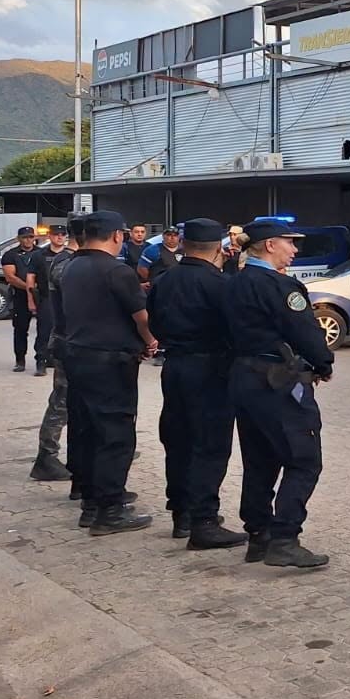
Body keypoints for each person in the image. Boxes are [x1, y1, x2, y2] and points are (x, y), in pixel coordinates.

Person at [225, 218, 335, 569]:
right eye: (290, 242)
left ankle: (258, 534)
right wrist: (323, 363)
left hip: (244, 378)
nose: (295, 249)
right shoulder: (280, 286)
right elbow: (305, 331)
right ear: (270, 244)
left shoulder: (233, 282)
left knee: (259, 459)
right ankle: (285, 538)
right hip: (278, 382)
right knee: (304, 459)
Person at [146, 218, 246, 550]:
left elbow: (153, 323)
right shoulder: (221, 285)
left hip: (175, 365)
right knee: (210, 444)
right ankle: (204, 521)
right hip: (211, 368)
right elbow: (235, 329)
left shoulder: (163, 280)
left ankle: (182, 514)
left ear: (184, 244)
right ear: (218, 248)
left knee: (178, 439)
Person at [56, 211, 157, 535]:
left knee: (87, 430)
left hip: (78, 356)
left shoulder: (71, 266)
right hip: (110, 363)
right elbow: (141, 316)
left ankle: (90, 502)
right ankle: (110, 510)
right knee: (115, 435)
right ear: (117, 235)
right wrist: (150, 341)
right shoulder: (117, 270)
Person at [30, 214, 84, 484]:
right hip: (67, 341)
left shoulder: (70, 261)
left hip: (71, 340)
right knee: (62, 401)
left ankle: (91, 451)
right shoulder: (66, 263)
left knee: (75, 400)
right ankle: (46, 457)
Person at [27, 224, 68, 377]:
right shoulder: (39, 255)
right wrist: (31, 300)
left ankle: (58, 360)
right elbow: (30, 278)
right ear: (50, 236)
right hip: (47, 297)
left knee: (65, 331)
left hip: (67, 298)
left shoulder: (69, 255)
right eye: (56, 234)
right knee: (44, 331)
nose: (60, 237)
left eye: (63, 234)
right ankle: (41, 361)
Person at [2, 226, 37, 372]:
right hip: (20, 296)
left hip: (41, 296)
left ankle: (44, 359)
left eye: (30, 237)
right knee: (21, 329)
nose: (28, 240)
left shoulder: (40, 253)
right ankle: (20, 361)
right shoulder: (10, 255)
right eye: (25, 237)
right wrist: (30, 287)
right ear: (18, 239)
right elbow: (10, 277)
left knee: (45, 329)